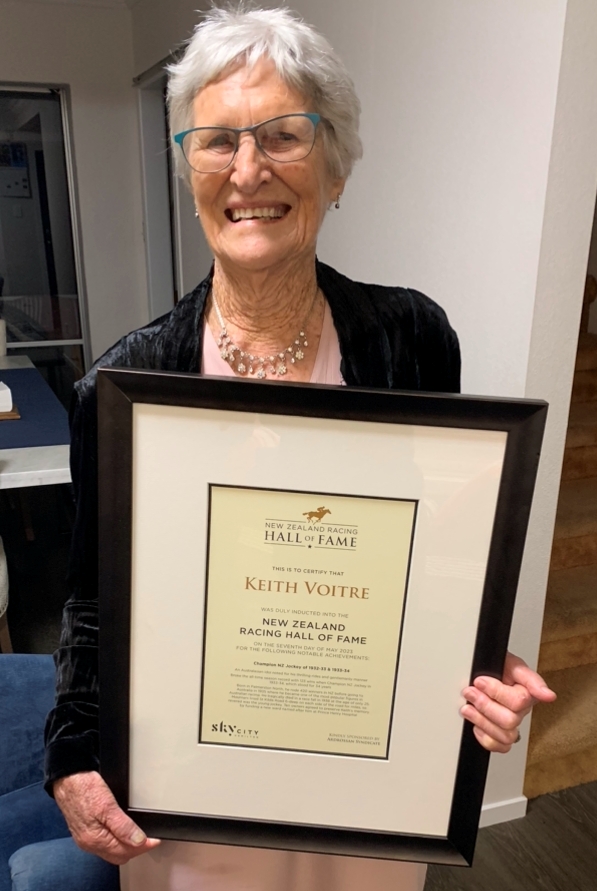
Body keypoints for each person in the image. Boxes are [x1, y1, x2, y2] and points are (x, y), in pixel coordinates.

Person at [44, 7, 556, 890]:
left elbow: (435, 552)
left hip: (364, 784)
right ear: (189, 169)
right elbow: (93, 604)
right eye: (215, 142)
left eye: (283, 134)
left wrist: (473, 657)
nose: (249, 170)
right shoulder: (122, 384)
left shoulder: (412, 336)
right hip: (192, 794)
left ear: (336, 167)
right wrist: (73, 756)